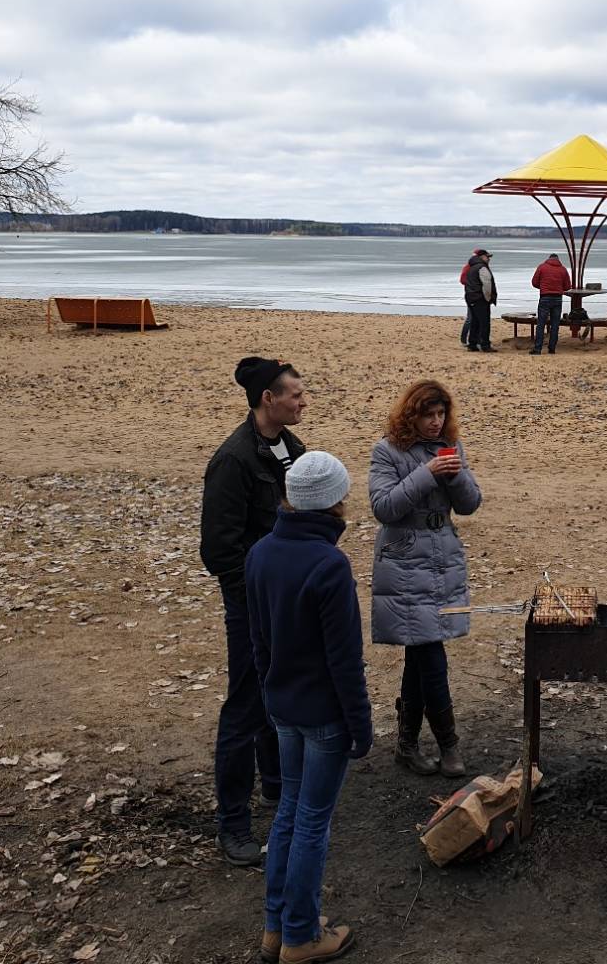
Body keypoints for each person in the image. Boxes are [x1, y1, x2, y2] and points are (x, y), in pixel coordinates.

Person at [246, 450, 370, 964]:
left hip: (282, 706)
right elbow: (345, 659)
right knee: (312, 822)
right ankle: (300, 936)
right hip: (322, 715)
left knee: (289, 813)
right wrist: (360, 724)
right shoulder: (328, 565)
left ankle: (276, 928)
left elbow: (259, 642)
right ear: (335, 501)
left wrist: (270, 692)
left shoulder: (260, 553)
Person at [200, 356, 307, 867]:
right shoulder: (234, 459)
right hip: (251, 603)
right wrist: (258, 589)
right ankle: (233, 824)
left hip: (288, 597)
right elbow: (218, 552)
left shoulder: (293, 448)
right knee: (244, 705)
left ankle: (277, 785)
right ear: (269, 398)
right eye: (295, 394)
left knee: (277, 692)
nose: (303, 402)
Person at [368, 380, 482, 777]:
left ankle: (407, 744)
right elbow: (383, 508)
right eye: (428, 415)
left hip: (442, 556)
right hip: (404, 560)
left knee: (420, 652)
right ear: (410, 415)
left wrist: (455, 475)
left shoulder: (451, 446)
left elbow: (470, 504)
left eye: (440, 414)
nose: (435, 422)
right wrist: (427, 473)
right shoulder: (387, 450)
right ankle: (449, 745)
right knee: (430, 652)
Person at [529, 252, 571, 355]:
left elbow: (534, 282)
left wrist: (543, 287)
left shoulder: (542, 267)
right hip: (558, 299)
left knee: (541, 324)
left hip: (545, 297)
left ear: (549, 259)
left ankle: (538, 348)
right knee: (555, 324)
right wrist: (559, 288)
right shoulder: (563, 269)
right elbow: (567, 286)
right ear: (558, 260)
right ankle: (552, 348)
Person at [462, 249, 496, 352]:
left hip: (470, 297)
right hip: (480, 299)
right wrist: (488, 298)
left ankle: (472, 344)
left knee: (475, 322)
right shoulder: (482, 267)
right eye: (487, 257)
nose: (489, 259)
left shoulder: (471, 267)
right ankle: (485, 345)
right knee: (484, 323)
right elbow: (487, 285)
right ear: (481, 257)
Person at [458, 249, 483, 345]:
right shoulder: (468, 267)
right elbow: (463, 280)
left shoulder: (480, 266)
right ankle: (464, 339)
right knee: (470, 318)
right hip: (472, 294)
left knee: (477, 318)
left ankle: (476, 339)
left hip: (477, 294)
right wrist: (474, 284)